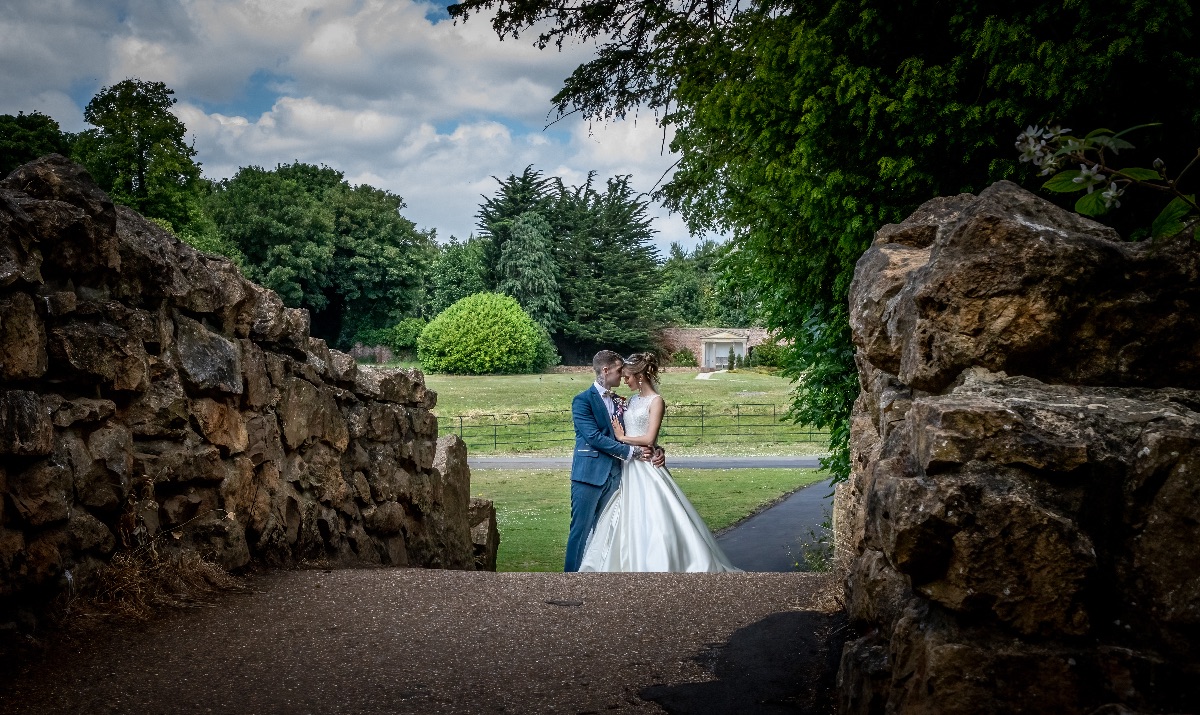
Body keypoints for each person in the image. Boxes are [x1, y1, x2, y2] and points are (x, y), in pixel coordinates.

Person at [578, 352, 741, 573]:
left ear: (640, 376)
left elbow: (648, 438)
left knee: (657, 517)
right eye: (623, 376)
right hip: (627, 467)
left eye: (628, 377)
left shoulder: (657, 401)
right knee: (625, 519)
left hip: (645, 466)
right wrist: (647, 447)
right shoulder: (631, 401)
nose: (625, 381)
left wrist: (628, 440)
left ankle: (663, 562)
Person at [564, 350, 664, 572]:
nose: (622, 375)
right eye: (619, 371)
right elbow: (594, 437)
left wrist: (655, 449)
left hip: (619, 476)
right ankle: (569, 580)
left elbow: (636, 431)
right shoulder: (582, 401)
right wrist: (633, 453)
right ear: (606, 370)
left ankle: (601, 578)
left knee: (608, 530)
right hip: (589, 475)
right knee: (580, 531)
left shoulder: (622, 401)